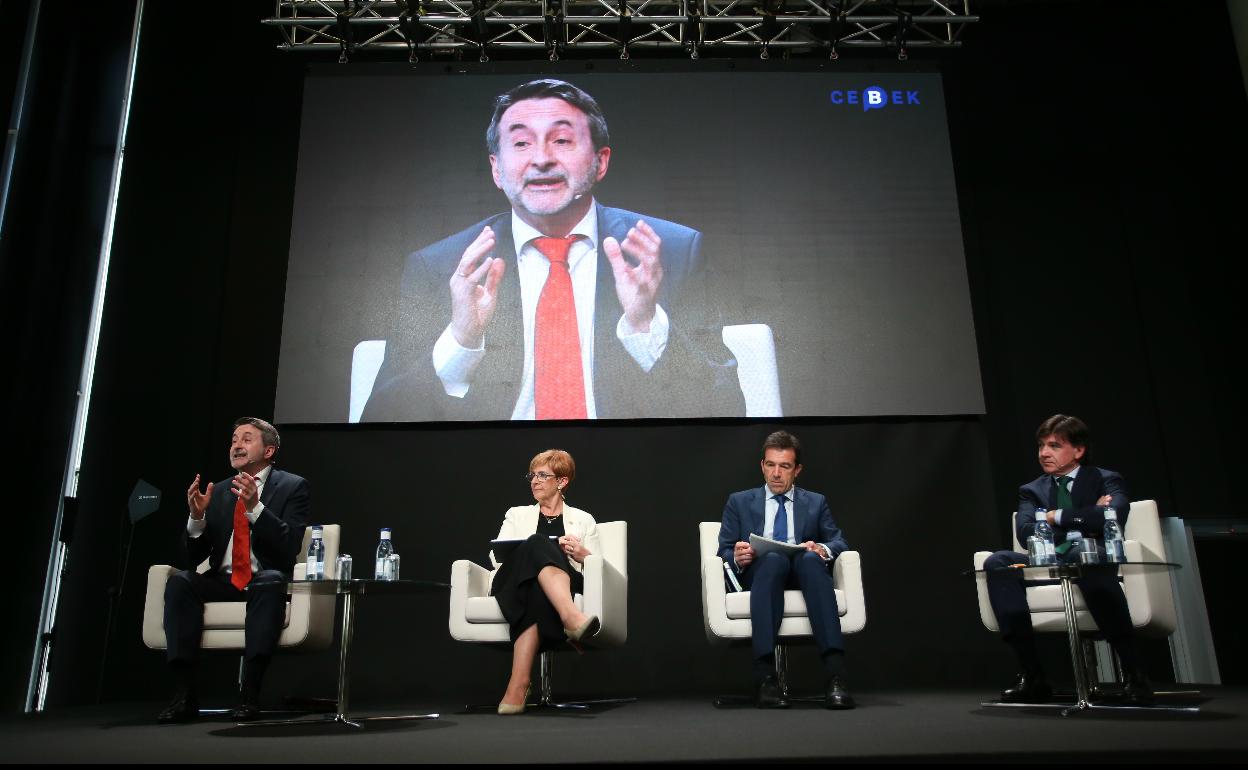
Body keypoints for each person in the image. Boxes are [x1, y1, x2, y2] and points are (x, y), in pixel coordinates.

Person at [362, 78, 743, 422]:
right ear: (496, 169)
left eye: (561, 140)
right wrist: (461, 339)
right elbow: (379, 420)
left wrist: (647, 324)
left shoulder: (671, 252)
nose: (541, 158)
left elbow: (726, 405)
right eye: (521, 142)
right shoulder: (440, 266)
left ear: (600, 162)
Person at [983, 414, 1152, 704]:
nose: (1044, 453)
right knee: (997, 562)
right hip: (1047, 558)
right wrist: (1088, 515)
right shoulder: (1032, 490)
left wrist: (1054, 516)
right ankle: (1032, 674)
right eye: (1041, 446)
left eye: (1054, 446)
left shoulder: (1104, 479)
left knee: (1081, 554)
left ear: (1078, 450)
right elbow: (1026, 533)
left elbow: (1114, 517)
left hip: (1092, 556)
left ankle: (1133, 671)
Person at [157, 418, 311, 723]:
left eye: (246, 439)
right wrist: (196, 518)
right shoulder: (222, 490)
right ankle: (184, 694)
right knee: (180, 583)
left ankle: (250, 695)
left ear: (268, 450)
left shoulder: (292, 486)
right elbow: (193, 556)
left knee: (269, 582)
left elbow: (289, 544)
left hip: (265, 577)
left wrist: (255, 508)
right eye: (234, 439)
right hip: (224, 580)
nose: (236, 445)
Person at [718, 431, 854, 709]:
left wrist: (822, 549)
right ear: (762, 466)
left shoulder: (816, 502)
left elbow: (838, 540)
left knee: (810, 561)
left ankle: (835, 676)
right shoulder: (739, 501)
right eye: (770, 465)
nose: (776, 473)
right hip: (764, 571)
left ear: (798, 470)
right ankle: (765, 678)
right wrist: (738, 556)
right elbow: (724, 550)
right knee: (773, 561)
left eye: (785, 466)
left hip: (804, 571)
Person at [489, 449, 601, 715]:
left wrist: (582, 554)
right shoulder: (516, 514)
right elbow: (497, 556)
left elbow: (600, 568)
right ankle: (570, 618)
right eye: (532, 475)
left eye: (542, 475)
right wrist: (543, 548)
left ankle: (519, 684)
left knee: (536, 587)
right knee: (537, 543)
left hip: (563, 581)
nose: (534, 481)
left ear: (562, 481)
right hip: (512, 580)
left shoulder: (583, 520)